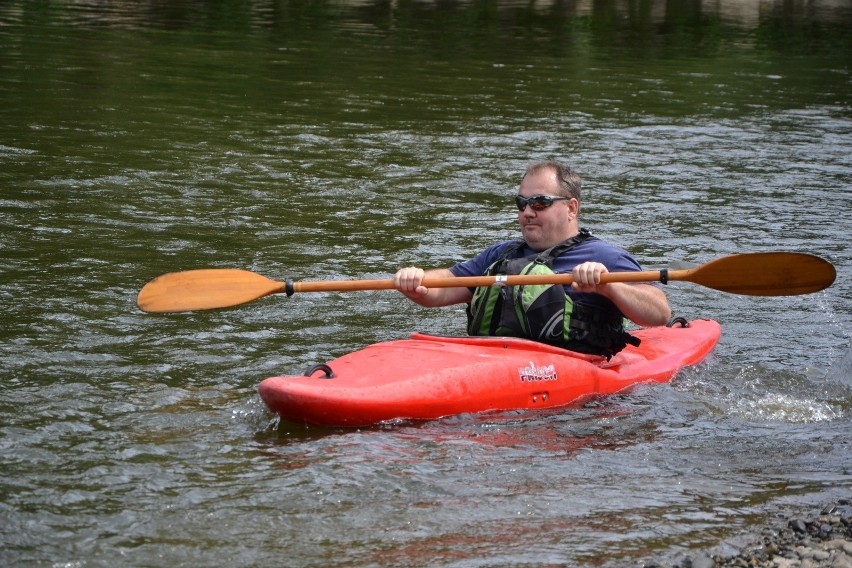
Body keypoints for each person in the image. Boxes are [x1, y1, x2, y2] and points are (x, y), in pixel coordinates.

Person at [393, 160, 672, 358]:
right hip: (491, 360)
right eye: (522, 203)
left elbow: (659, 314)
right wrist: (417, 282)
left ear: (571, 208)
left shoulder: (603, 256)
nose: (527, 211)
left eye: (540, 203)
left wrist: (609, 287)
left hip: (573, 369)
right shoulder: (500, 254)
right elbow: (442, 288)